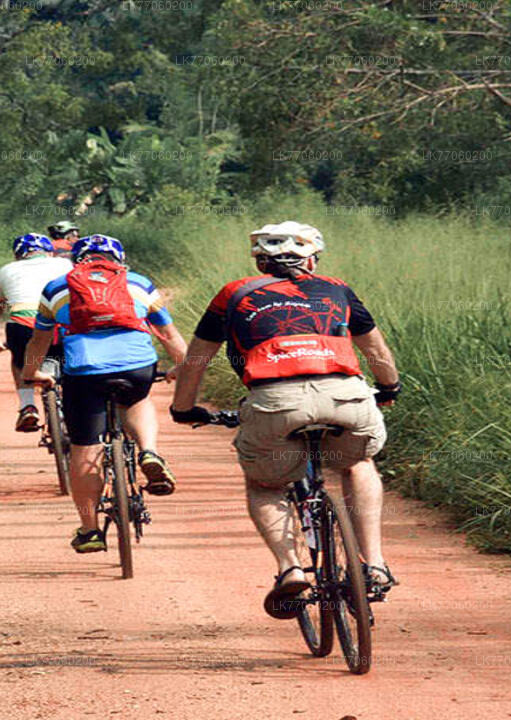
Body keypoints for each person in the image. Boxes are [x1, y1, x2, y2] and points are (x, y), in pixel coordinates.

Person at [168, 221, 401, 618]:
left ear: (261, 263)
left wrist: (183, 408)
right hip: (345, 395)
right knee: (358, 463)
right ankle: (375, 565)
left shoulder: (233, 293)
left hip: (274, 402)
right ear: (311, 259)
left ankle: (290, 568)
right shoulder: (337, 288)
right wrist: (389, 387)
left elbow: (196, 360)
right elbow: (376, 350)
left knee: (266, 482)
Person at [21, 234, 188, 553]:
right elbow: (168, 333)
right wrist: (183, 366)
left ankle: (90, 530)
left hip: (85, 371)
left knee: (85, 447)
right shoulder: (138, 283)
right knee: (138, 399)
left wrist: (31, 374)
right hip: (136, 366)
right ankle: (149, 451)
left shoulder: (56, 288)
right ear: (119, 260)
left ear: (76, 262)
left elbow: (39, 340)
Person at [0, 233, 74, 432]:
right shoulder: (65, 265)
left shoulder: (5, 271)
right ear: (50, 252)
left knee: (20, 360)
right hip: (61, 325)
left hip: (24, 326)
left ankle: (27, 406)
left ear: (17, 255)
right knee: (71, 362)